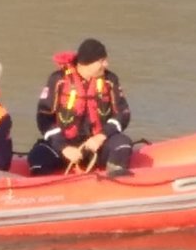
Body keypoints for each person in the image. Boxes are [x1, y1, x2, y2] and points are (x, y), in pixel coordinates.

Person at [27, 39, 133, 176]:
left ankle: (114, 183)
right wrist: (64, 148)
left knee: (123, 145)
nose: (106, 64)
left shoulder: (110, 80)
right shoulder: (58, 80)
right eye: (101, 61)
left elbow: (123, 114)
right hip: (65, 146)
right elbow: (44, 118)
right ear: (87, 63)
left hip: (98, 145)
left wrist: (101, 136)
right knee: (38, 158)